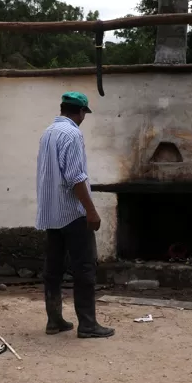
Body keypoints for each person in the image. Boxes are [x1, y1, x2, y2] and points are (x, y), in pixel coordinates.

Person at [35, 92, 115, 339]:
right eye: (84, 114)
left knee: (54, 269)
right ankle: (88, 325)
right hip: (72, 214)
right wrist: (91, 211)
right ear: (80, 112)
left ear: (62, 109)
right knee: (84, 268)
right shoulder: (72, 134)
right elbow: (76, 177)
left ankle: (54, 320)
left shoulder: (48, 133)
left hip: (51, 213)